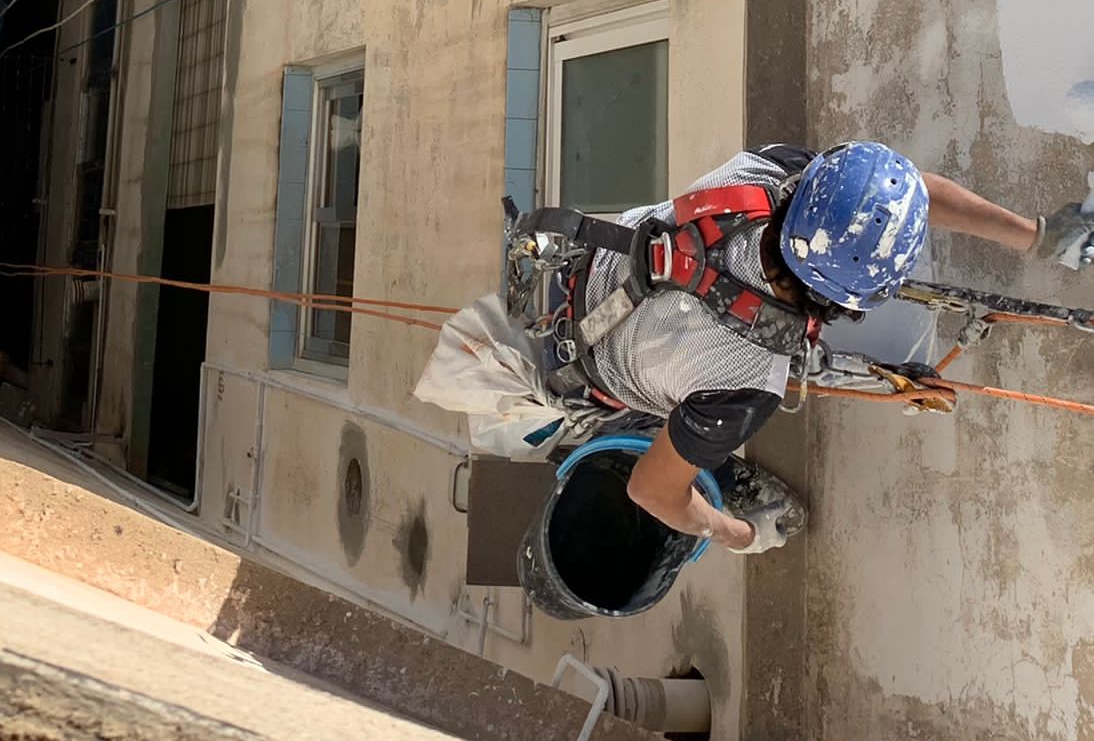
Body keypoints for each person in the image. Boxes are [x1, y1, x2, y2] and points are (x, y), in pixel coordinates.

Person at [421, 142, 1094, 611]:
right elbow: (653, 491)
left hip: (568, 268)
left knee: (694, 410)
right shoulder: (746, 382)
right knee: (661, 450)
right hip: (572, 368)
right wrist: (735, 534)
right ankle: (707, 472)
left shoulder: (770, 174)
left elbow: (901, 191)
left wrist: (1038, 235)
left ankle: (695, 450)